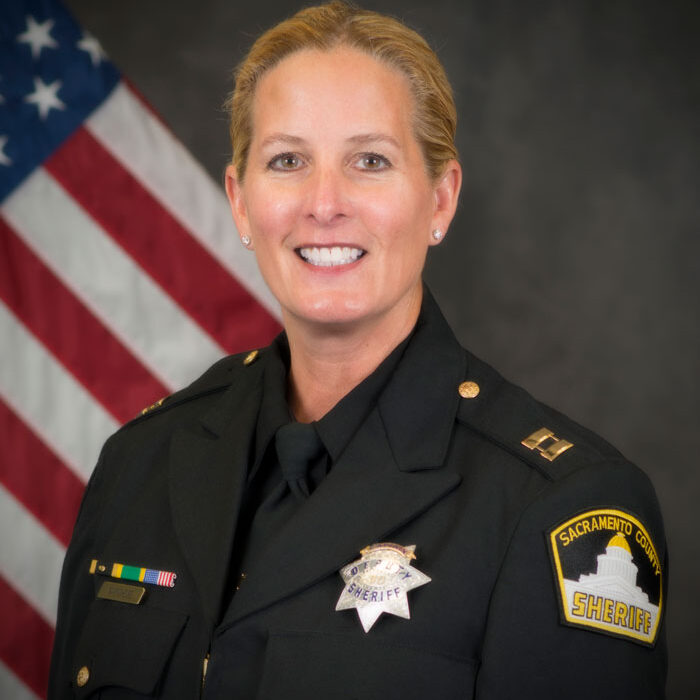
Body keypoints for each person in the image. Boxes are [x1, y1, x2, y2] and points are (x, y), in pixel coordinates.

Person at [48, 2, 667, 698]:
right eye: (287, 161)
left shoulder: (557, 508)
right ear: (241, 202)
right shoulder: (140, 463)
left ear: (440, 199)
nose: (324, 202)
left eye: (370, 160)